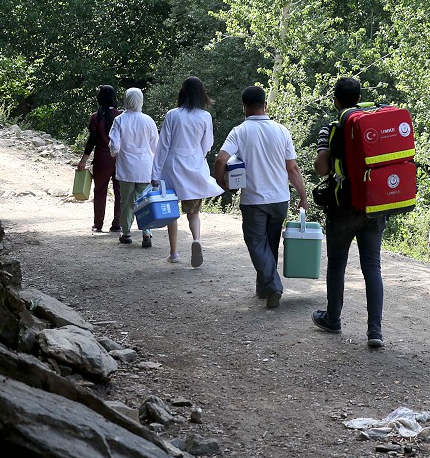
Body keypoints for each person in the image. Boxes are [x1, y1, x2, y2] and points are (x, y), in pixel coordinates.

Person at [214, 85, 308, 309]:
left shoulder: (239, 131)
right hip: (279, 199)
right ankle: (263, 288)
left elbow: (220, 160)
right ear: (266, 105)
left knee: (256, 242)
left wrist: (221, 181)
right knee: (270, 244)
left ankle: (273, 285)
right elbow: (292, 168)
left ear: (244, 107)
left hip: (254, 200)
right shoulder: (281, 130)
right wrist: (303, 196)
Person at [311, 77, 387, 348]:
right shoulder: (373, 125)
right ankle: (375, 331)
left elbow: (322, 168)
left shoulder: (332, 128)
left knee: (337, 263)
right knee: (372, 266)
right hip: (374, 206)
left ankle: (333, 318)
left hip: (344, 207)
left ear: (336, 100)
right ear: (359, 97)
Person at [151, 76, 224, 266]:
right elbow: (207, 145)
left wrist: (155, 174)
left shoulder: (172, 115)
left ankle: (174, 253)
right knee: (194, 212)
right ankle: (197, 240)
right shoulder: (205, 117)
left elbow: (163, 146)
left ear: (182, 92)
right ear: (202, 94)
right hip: (194, 166)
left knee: (171, 211)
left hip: (172, 167)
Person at [109, 87, 158, 247]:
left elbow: (114, 144)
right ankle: (147, 233)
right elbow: (156, 146)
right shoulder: (148, 120)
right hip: (145, 167)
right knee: (145, 201)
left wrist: (115, 153)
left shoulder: (120, 120)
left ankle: (127, 233)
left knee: (127, 202)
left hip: (126, 167)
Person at [77, 85, 122, 233]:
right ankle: (117, 223)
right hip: (119, 158)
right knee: (119, 192)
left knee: (100, 191)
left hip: (102, 159)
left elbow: (92, 140)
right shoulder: (121, 115)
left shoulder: (96, 117)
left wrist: (84, 160)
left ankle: (98, 224)